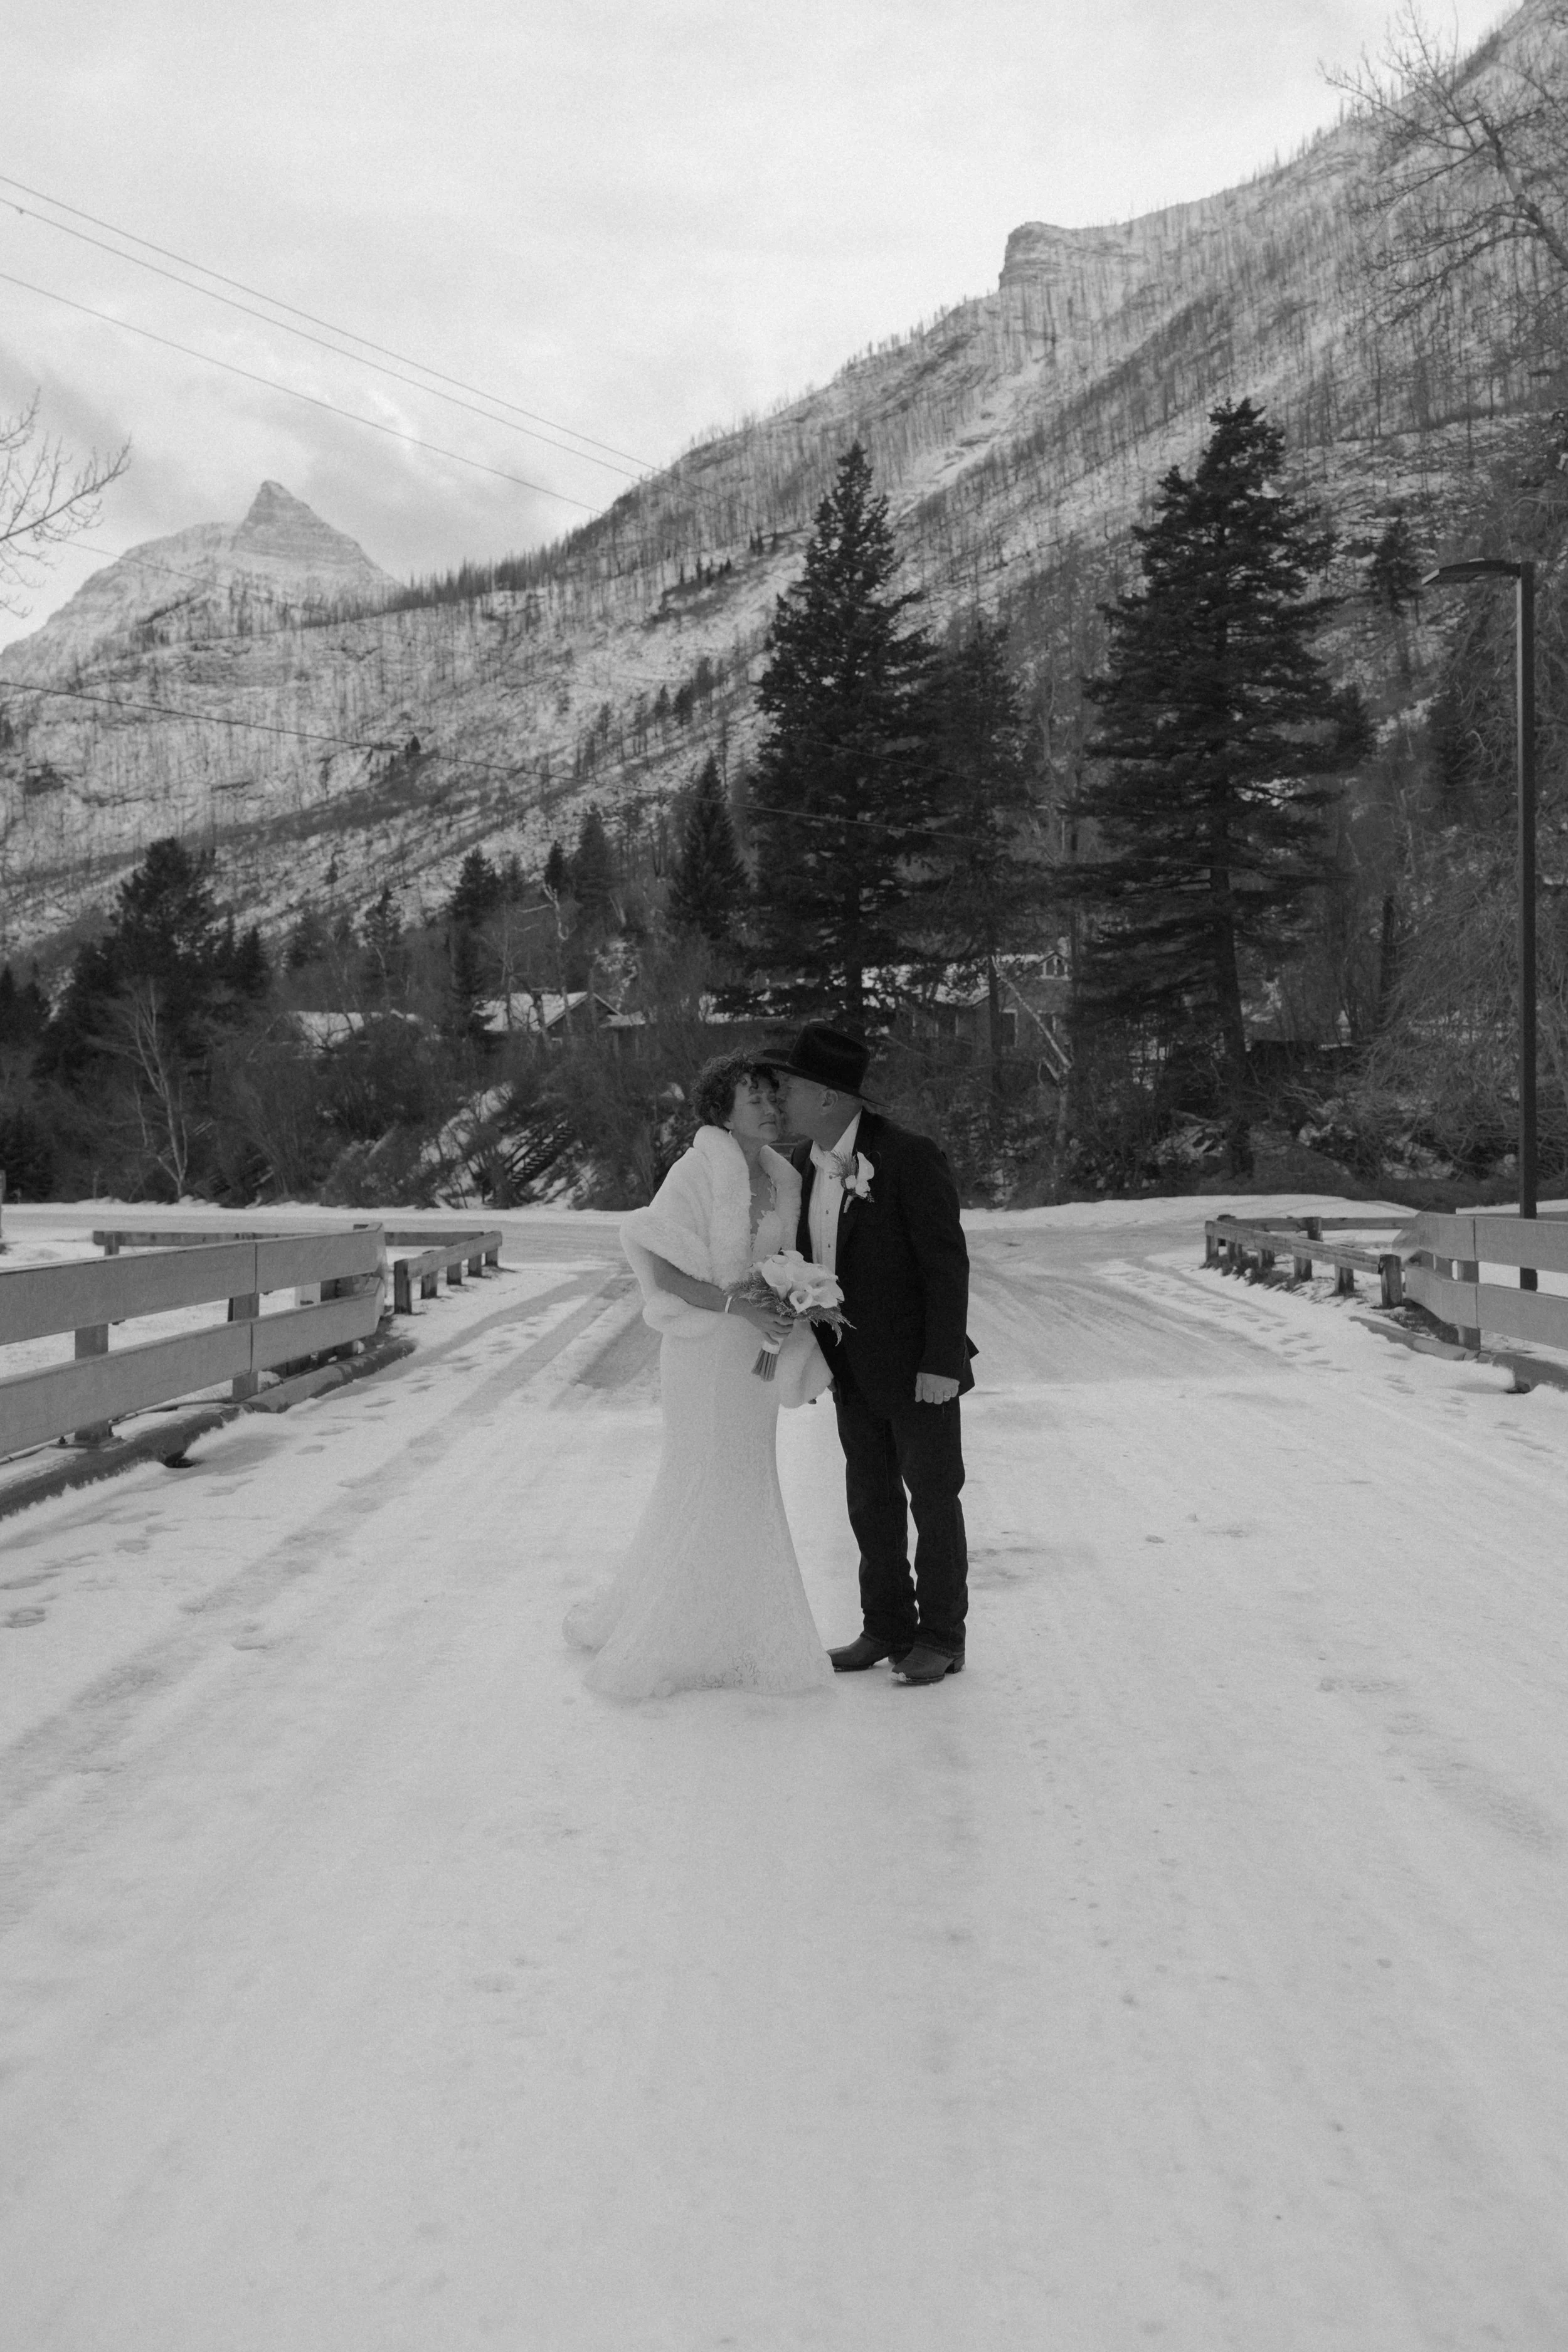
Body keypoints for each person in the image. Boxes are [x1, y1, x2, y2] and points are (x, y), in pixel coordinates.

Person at [563, 1052, 833, 1698]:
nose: (770, 1110)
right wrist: (739, 1302)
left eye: (773, 1098)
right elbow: (662, 1266)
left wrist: (796, 1298)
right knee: (705, 1474)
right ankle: (675, 1635)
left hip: (756, 1353)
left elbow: (782, 1259)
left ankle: (741, 1627)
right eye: (754, 1101)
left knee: (747, 1475)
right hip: (706, 1350)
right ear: (721, 1111)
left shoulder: (781, 1175)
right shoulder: (693, 1172)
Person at [763, 1024, 975, 1687]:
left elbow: (946, 1264)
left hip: (919, 1370)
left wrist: (941, 1362)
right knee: (868, 1502)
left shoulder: (908, 1156)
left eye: (790, 1088)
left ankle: (942, 1637)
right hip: (849, 1367)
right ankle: (885, 1627)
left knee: (933, 1501)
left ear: (827, 1097)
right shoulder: (803, 1164)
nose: (780, 1100)